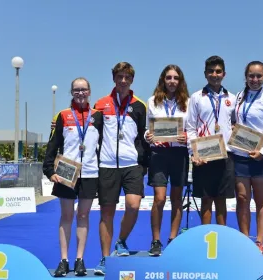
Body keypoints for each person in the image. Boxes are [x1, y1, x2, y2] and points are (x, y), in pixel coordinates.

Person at [93, 62, 150, 275]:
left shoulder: (139, 105)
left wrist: (146, 162)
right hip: (107, 164)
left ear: (132, 79)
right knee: (106, 212)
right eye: (120, 76)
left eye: (127, 77)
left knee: (134, 206)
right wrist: (57, 124)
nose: (123, 81)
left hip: (132, 164)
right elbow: (90, 130)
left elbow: (145, 135)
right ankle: (105, 259)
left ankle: (121, 241)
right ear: (114, 78)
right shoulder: (101, 104)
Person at [43, 77, 103, 277]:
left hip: (90, 172)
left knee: (84, 216)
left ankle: (79, 260)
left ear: (89, 92)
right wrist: (50, 170)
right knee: (67, 216)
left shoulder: (98, 116)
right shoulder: (62, 115)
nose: (80, 93)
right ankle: (63, 260)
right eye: (76, 90)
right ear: (71, 92)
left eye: (84, 89)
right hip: (67, 172)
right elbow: (53, 144)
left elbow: (104, 145)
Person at [233, 61, 263, 255]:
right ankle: (244, 240)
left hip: (262, 157)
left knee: (261, 200)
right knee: (242, 198)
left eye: (258, 76)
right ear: (246, 76)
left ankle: (259, 241)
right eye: (251, 76)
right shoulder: (238, 97)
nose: (254, 80)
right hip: (240, 155)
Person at [144, 64, 190, 256]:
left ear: (180, 81)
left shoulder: (188, 102)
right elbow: (149, 128)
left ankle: (172, 239)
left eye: (176, 78)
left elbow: (192, 129)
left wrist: (187, 137)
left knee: (177, 199)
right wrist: (148, 135)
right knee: (160, 198)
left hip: (179, 154)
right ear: (163, 79)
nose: (172, 81)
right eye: (169, 77)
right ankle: (156, 240)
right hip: (159, 155)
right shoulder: (153, 101)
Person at [185, 55, 236, 225]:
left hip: (225, 155)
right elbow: (190, 128)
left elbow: (236, 126)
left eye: (218, 71)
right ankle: (205, 237)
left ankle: (220, 239)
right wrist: (194, 153)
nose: (215, 74)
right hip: (204, 155)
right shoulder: (196, 97)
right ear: (205, 74)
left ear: (224, 74)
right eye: (211, 71)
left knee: (222, 200)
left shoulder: (233, 98)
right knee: (206, 199)